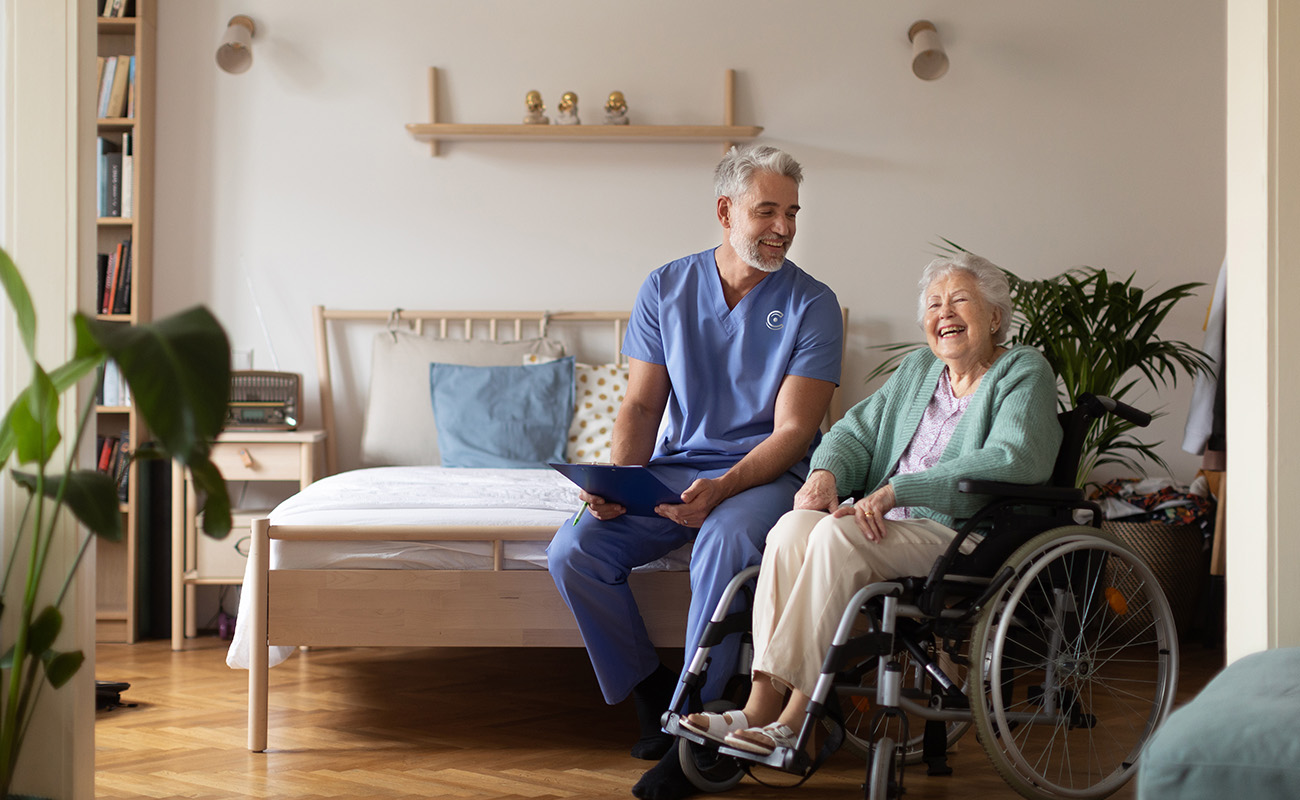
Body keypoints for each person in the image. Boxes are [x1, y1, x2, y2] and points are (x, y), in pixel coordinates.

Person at [678, 252, 1062, 758]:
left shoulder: (1022, 370)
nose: (943, 313)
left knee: (836, 535)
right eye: (933, 304)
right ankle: (758, 706)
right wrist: (824, 475)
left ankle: (797, 720)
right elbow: (852, 433)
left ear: (994, 316)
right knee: (794, 526)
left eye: (960, 300)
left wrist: (900, 491)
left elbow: (1014, 458)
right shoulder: (920, 370)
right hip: (884, 528)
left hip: (961, 536)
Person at [547, 145, 843, 799]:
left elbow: (795, 432)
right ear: (725, 210)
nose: (785, 228)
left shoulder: (810, 304)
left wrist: (724, 490)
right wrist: (616, 482)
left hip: (768, 476)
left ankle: (696, 733)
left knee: (725, 541)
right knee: (574, 548)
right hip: (679, 467)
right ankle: (649, 687)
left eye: (792, 213)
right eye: (768, 210)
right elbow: (642, 403)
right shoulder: (665, 286)